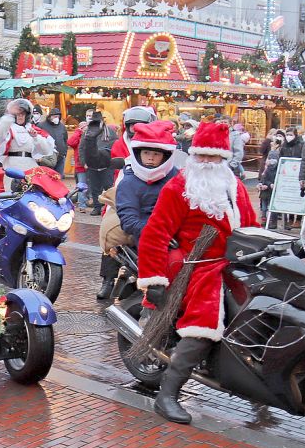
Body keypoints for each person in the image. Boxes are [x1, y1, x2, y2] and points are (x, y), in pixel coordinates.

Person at [137, 121, 259, 424]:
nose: (207, 163)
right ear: (193, 156)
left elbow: (251, 224)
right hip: (197, 266)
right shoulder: (180, 186)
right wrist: (153, 278)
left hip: (233, 263)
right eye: (202, 156)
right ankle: (168, 394)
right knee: (205, 319)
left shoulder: (234, 185)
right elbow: (155, 233)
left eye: (214, 158)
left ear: (223, 160)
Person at [115, 121, 181, 243]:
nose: (151, 157)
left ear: (165, 156)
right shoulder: (129, 182)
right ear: (138, 154)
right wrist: (155, 231)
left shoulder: (178, 178)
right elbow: (128, 219)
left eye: (156, 154)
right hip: (149, 238)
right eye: (146, 153)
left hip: (179, 233)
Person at [0, 99, 56, 182]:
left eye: (22, 114)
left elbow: (46, 150)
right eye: (17, 114)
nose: (20, 116)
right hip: (12, 168)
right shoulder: (8, 128)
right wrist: (8, 116)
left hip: (30, 168)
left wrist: (36, 137)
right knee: (11, 193)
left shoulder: (33, 130)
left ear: (27, 115)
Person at [68, 110, 116, 215]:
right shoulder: (87, 132)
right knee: (94, 188)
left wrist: (110, 158)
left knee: (109, 187)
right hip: (92, 165)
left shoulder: (110, 132)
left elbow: (115, 146)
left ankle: (110, 208)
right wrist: (84, 162)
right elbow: (81, 148)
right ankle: (97, 207)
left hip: (106, 165)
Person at [257, 133, 283, 228]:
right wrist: (262, 184)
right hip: (265, 190)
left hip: (272, 189)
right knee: (264, 206)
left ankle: (272, 221)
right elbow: (264, 177)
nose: (271, 161)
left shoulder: (278, 170)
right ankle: (264, 218)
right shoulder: (266, 169)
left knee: (272, 205)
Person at [38, 108, 69, 178]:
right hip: (47, 158)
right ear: (50, 117)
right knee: (47, 178)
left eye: (58, 116)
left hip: (60, 157)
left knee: (58, 178)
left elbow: (65, 140)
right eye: (54, 116)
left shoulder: (62, 127)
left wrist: (64, 153)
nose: (56, 118)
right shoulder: (41, 125)